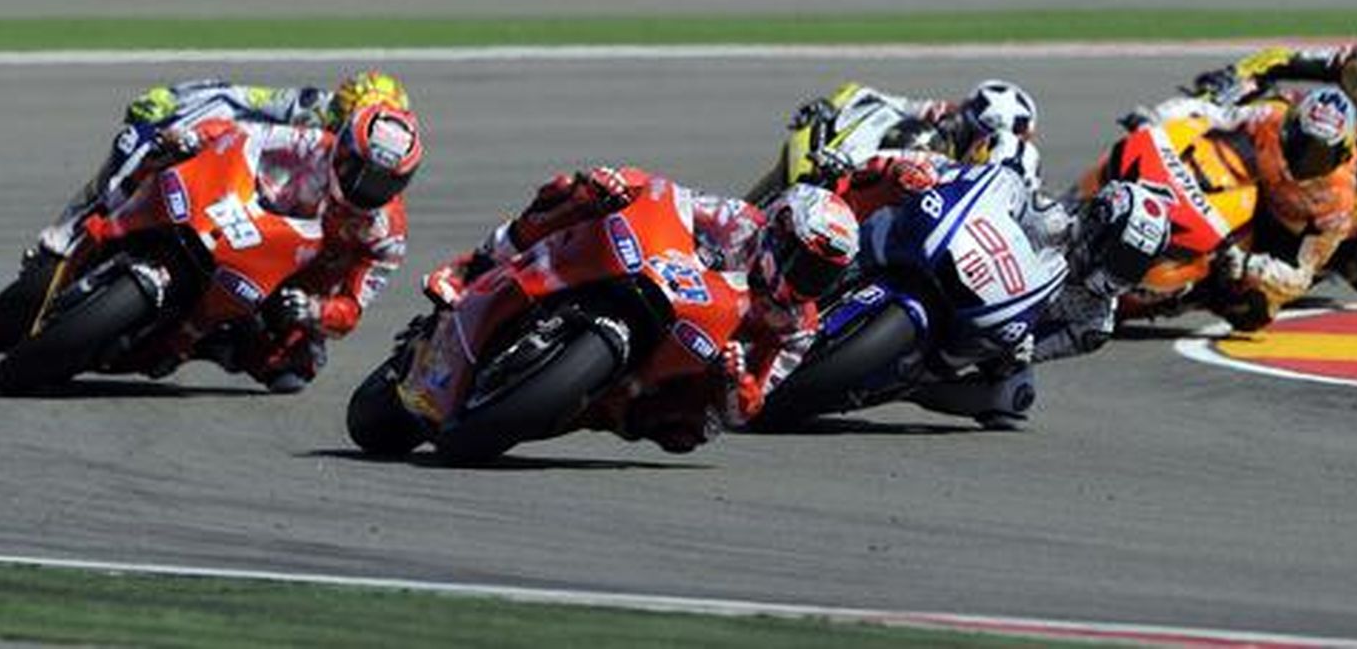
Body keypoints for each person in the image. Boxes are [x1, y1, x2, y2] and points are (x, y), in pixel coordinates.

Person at [403, 171, 860, 452]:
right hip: (654, 275)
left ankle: (600, 404)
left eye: (822, 277)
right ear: (778, 232)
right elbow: (670, 195)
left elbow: (750, 407)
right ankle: (476, 267)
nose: (807, 283)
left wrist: (736, 382)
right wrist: (624, 186)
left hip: (688, 359)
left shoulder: (799, 326)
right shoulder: (738, 221)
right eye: (805, 265)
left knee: (693, 432)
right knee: (577, 192)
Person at [0, 71, 411, 353]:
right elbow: (234, 98)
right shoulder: (308, 116)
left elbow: (353, 301)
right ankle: (70, 233)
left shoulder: (384, 229)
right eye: (341, 129)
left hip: (285, 257)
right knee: (138, 144)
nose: (359, 174)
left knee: (292, 367)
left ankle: (200, 342)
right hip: (239, 193)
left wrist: (313, 311)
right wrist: (173, 108)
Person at [826, 153, 1172, 429]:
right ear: (1099, 225)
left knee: (1013, 399)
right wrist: (940, 177)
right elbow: (991, 190)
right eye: (1119, 255)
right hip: (963, 266)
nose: (1119, 271)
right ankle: (840, 230)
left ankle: (908, 389)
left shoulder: (1094, 324)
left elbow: (1041, 350)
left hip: (997, 335)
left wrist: (1022, 349)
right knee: (900, 189)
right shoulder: (1047, 216)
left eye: (1133, 265)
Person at [163, 102, 424, 392]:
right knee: (165, 155)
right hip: (249, 218)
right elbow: (246, 135)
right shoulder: (312, 144)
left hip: (291, 282)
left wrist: (315, 310)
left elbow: (352, 307)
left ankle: (209, 344)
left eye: (382, 183)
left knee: (295, 368)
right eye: (358, 170)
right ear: (343, 149)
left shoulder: (387, 235)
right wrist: (197, 137)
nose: (364, 186)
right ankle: (108, 223)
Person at [1189, 18, 1357, 295]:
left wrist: (1312, 212)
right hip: (1343, 135)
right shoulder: (1351, 61)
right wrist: (1235, 76)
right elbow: (1283, 59)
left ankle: (1300, 269)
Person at [1147, 87, 1357, 330]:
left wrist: (1248, 264)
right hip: (1242, 188)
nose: (1304, 160)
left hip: (1274, 238)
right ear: (1290, 127)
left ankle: (1191, 295)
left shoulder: (1339, 204)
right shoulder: (1271, 116)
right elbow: (1214, 114)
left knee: (1253, 311)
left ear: (1341, 156)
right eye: (1301, 144)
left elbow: (1301, 274)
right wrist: (1157, 118)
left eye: (1319, 156)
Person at [792, 79, 1043, 189]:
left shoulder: (1015, 173)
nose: (958, 115)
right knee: (918, 138)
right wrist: (832, 108)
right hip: (862, 174)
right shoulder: (939, 125)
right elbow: (871, 96)